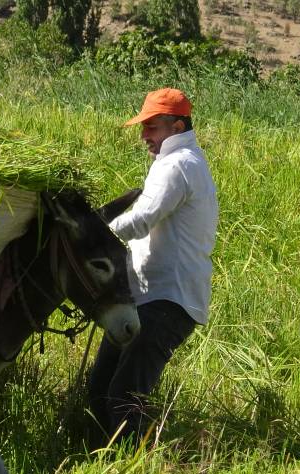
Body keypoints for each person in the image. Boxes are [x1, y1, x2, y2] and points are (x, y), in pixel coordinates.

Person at [87, 88, 219, 448]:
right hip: (151, 296)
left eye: (152, 127)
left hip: (166, 300)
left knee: (123, 397)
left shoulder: (178, 166)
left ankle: (134, 471)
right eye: (143, 127)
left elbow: (143, 219)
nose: (144, 135)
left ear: (177, 126)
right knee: (101, 390)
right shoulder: (179, 160)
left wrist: (92, 238)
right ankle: (105, 461)